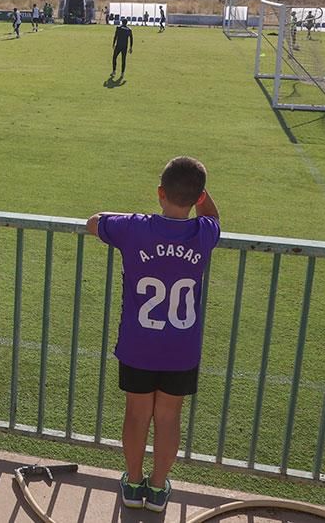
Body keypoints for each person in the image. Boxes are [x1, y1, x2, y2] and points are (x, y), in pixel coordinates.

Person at [87, 157, 220, 513]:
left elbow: (94, 222)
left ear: (160, 193)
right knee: (168, 418)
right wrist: (201, 197)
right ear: (198, 197)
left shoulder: (134, 228)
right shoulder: (204, 232)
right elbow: (214, 218)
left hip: (138, 344)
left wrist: (134, 218)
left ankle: (133, 483)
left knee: (136, 414)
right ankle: (158, 489)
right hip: (181, 348)